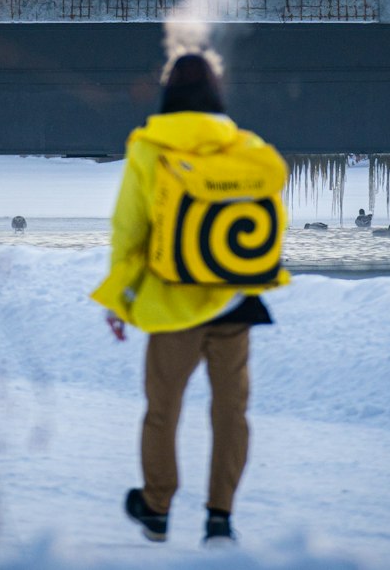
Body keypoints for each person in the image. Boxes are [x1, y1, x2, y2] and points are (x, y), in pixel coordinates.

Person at [90, 50, 289, 545]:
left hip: (172, 301)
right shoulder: (244, 145)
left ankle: (156, 507)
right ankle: (220, 517)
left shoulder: (149, 147)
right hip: (233, 300)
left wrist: (119, 300)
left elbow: (129, 231)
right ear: (217, 94)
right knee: (230, 412)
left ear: (168, 93)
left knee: (163, 409)